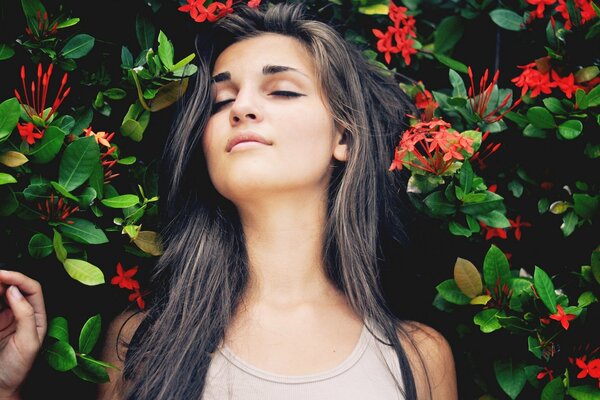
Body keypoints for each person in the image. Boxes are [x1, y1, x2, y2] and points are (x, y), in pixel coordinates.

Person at [0, 2, 458, 399]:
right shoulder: (138, 342)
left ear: (344, 136)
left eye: (281, 90)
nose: (241, 107)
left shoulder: (418, 359)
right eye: (220, 100)